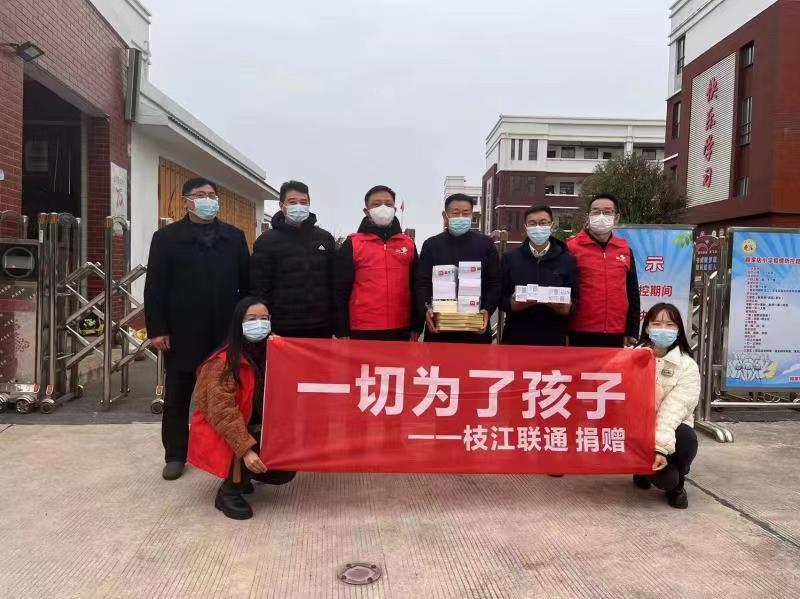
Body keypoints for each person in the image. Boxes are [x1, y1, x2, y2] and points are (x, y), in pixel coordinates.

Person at [144, 177, 250, 481]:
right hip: (182, 331)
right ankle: (175, 454)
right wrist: (157, 329)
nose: (208, 200)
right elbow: (155, 287)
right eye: (201, 195)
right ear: (186, 201)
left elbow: (247, 284)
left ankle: (230, 450)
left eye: (212, 195)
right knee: (177, 396)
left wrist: (246, 324)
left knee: (228, 395)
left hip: (224, 332)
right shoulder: (166, 238)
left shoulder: (234, 237)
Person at [187, 297, 295, 520]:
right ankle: (228, 493)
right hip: (224, 432)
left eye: (264, 318)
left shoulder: (271, 353)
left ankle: (243, 477)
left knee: (285, 470)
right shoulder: (222, 363)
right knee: (258, 440)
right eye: (252, 319)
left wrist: (285, 352)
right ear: (239, 323)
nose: (259, 324)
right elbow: (223, 414)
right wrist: (246, 451)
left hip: (253, 426)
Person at [633, 303, 701, 509]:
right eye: (656, 323)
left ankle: (677, 482)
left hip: (668, 431)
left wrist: (660, 449)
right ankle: (640, 468)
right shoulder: (632, 357)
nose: (663, 329)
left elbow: (671, 412)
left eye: (670, 324)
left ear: (679, 330)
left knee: (686, 440)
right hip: (638, 429)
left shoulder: (687, 366)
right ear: (647, 328)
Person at [334, 185, 421, 341]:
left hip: (400, 328)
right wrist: (341, 329)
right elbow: (340, 289)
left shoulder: (408, 244)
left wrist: (417, 325)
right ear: (366, 211)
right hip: (362, 329)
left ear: (395, 209)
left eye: (388, 204)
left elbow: (417, 286)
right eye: (376, 204)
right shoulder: (353, 244)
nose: (383, 208)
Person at [250, 180, 335, 338]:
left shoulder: (325, 238)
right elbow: (259, 288)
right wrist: (265, 324)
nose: (299, 206)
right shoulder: (266, 241)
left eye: (303, 202)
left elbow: (334, 282)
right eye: (292, 202)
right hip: (283, 327)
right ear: (282, 205)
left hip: (321, 326)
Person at [415, 193, 500, 343]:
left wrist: (488, 309)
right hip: (440, 327)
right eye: (455, 213)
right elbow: (422, 283)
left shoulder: (486, 244)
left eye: (466, 213)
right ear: (445, 215)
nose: (461, 217)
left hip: (475, 327)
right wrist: (426, 309)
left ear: (471, 215)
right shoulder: (431, 245)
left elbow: (495, 282)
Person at [567, 193, 640, 348]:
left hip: (616, 331)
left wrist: (632, 331)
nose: (601, 216)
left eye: (607, 212)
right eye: (596, 212)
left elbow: (632, 292)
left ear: (616, 218)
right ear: (588, 217)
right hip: (580, 331)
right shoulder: (571, 248)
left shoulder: (625, 250)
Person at [500, 205, 579, 346]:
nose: (538, 227)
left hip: (554, 339)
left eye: (543, 223)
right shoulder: (510, 258)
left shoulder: (567, 259)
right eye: (532, 223)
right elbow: (500, 298)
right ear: (525, 228)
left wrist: (566, 307)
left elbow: (576, 301)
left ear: (552, 226)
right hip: (516, 338)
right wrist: (512, 304)